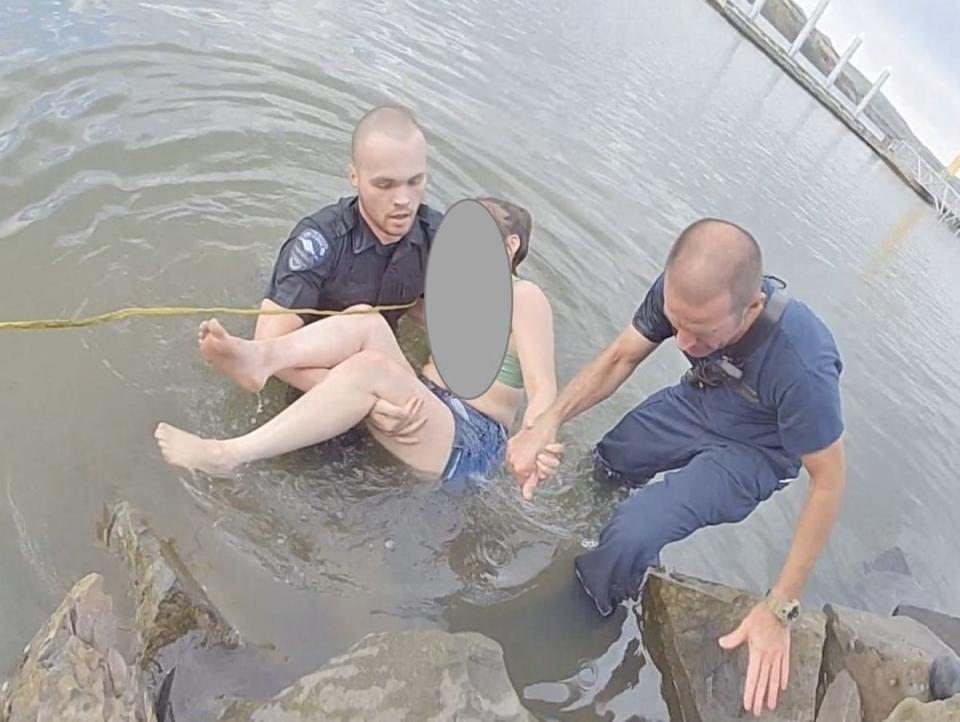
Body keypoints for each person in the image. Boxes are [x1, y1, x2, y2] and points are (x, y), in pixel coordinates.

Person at [507, 218, 846, 716]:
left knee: (633, 530)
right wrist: (547, 422)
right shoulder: (683, 292)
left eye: (702, 333)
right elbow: (622, 356)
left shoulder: (804, 363)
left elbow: (830, 482)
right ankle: (586, 537)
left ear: (750, 308)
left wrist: (780, 606)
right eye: (676, 322)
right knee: (610, 457)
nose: (682, 342)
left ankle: (580, 615)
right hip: (702, 397)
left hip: (755, 452)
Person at [154, 198, 562, 485]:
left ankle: (228, 455)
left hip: (469, 439)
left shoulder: (524, 297)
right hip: (431, 402)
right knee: (367, 319)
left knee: (370, 368)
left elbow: (543, 389)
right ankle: (261, 358)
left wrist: (535, 441)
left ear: (509, 247)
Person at [257, 103, 443, 438]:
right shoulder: (321, 241)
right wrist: (363, 402)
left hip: (383, 371)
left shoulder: (438, 239)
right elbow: (266, 346)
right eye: (385, 185)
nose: (403, 199)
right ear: (354, 177)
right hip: (311, 378)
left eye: (415, 182)